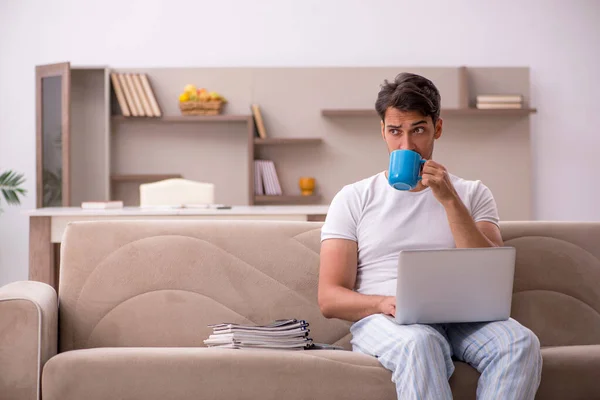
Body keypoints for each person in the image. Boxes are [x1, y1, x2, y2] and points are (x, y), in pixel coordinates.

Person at [318, 72, 542, 399]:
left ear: (437, 128)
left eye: (418, 130)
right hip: (388, 321)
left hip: (463, 319)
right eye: (395, 131)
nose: (406, 145)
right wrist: (383, 303)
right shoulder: (354, 198)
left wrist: (449, 200)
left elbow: (490, 268)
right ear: (383, 131)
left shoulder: (472, 194)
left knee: (520, 343)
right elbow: (329, 297)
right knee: (421, 342)